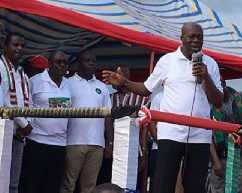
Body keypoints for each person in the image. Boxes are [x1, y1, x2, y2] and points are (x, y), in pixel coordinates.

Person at [102, 22, 223, 193]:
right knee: (162, 186)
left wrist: (206, 77)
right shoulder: (167, 61)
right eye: (191, 36)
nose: (196, 40)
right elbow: (146, 89)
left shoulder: (210, 63)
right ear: (182, 39)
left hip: (199, 137)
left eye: (199, 37)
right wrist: (124, 83)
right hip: (170, 135)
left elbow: (218, 102)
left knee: (195, 188)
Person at [60, 50, 113, 193]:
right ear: (78, 63)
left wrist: (109, 142)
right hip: (73, 141)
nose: (90, 64)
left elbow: (108, 116)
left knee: (89, 187)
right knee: (68, 184)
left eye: (93, 61)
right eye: (86, 60)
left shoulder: (102, 87)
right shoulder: (67, 83)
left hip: (97, 143)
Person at [19, 50, 70, 193]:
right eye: (58, 62)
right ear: (49, 64)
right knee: (32, 186)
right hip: (37, 142)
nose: (62, 65)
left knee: (52, 187)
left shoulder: (69, 84)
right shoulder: (35, 81)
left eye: (65, 62)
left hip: (60, 144)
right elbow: (24, 106)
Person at [97, 67, 150, 192]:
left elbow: (144, 127)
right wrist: (109, 144)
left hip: (133, 149)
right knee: (107, 182)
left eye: (117, 75)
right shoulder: (109, 98)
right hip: (110, 149)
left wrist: (143, 151)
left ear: (125, 77)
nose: (112, 79)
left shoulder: (142, 100)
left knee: (131, 183)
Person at [0, 32, 33, 193]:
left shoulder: (22, 73)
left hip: (19, 135)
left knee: (13, 183)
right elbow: (3, 101)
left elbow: (29, 102)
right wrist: (24, 123)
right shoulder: (0, 67)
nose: (19, 48)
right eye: (15, 45)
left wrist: (28, 124)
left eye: (22, 45)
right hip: (3, 132)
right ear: (5, 47)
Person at [148, 91, 162, 193]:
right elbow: (151, 122)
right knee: (157, 181)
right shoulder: (158, 97)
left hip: (180, 146)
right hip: (159, 147)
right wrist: (160, 143)